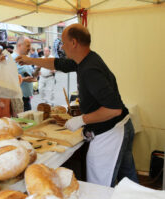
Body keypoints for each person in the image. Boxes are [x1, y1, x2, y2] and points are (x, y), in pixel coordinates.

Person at [15, 24, 138, 187]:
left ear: (74, 43)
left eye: (64, 43)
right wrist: (30, 60)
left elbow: (113, 109)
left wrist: (81, 120)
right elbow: (57, 64)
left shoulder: (90, 69)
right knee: (128, 180)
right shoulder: (85, 59)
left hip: (110, 132)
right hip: (121, 126)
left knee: (99, 185)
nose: (62, 47)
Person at [12, 36, 40, 111]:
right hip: (18, 100)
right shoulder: (11, 59)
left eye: (30, 46)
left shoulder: (25, 59)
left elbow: (32, 75)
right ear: (19, 45)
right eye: (27, 46)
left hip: (27, 99)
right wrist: (24, 79)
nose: (29, 48)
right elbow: (7, 80)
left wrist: (38, 68)